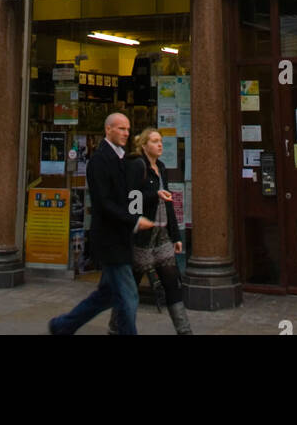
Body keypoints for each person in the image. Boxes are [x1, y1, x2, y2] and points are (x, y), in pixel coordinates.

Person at [48, 111, 153, 336]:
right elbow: (104, 202)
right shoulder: (99, 160)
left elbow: (125, 195)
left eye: (127, 128)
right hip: (109, 240)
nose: (126, 133)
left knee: (105, 295)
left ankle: (63, 326)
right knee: (129, 296)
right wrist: (133, 220)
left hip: (119, 238)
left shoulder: (122, 157)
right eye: (121, 128)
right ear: (108, 129)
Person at [127, 129, 193, 335]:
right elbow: (133, 200)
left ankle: (185, 331)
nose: (160, 145)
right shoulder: (137, 166)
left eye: (161, 141)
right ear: (144, 145)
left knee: (172, 284)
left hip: (162, 235)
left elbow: (169, 203)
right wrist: (153, 196)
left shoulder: (162, 167)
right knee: (130, 288)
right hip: (144, 236)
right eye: (155, 141)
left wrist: (176, 236)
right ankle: (116, 327)